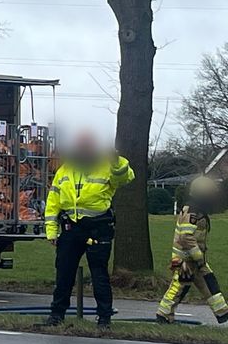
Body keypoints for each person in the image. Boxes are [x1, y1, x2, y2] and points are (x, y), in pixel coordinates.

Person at [42, 131, 134, 328]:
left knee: (99, 275)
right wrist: (51, 231)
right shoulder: (65, 169)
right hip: (71, 227)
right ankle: (56, 315)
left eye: (88, 145)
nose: (84, 150)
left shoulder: (107, 164)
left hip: (98, 227)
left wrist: (116, 162)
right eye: (81, 145)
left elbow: (125, 178)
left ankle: (104, 318)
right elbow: (53, 202)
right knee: (64, 274)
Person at [156, 176, 228, 324]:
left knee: (209, 283)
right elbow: (186, 237)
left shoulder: (195, 209)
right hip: (185, 259)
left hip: (192, 259)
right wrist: (199, 257)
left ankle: (222, 313)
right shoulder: (193, 213)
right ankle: (163, 315)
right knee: (179, 287)